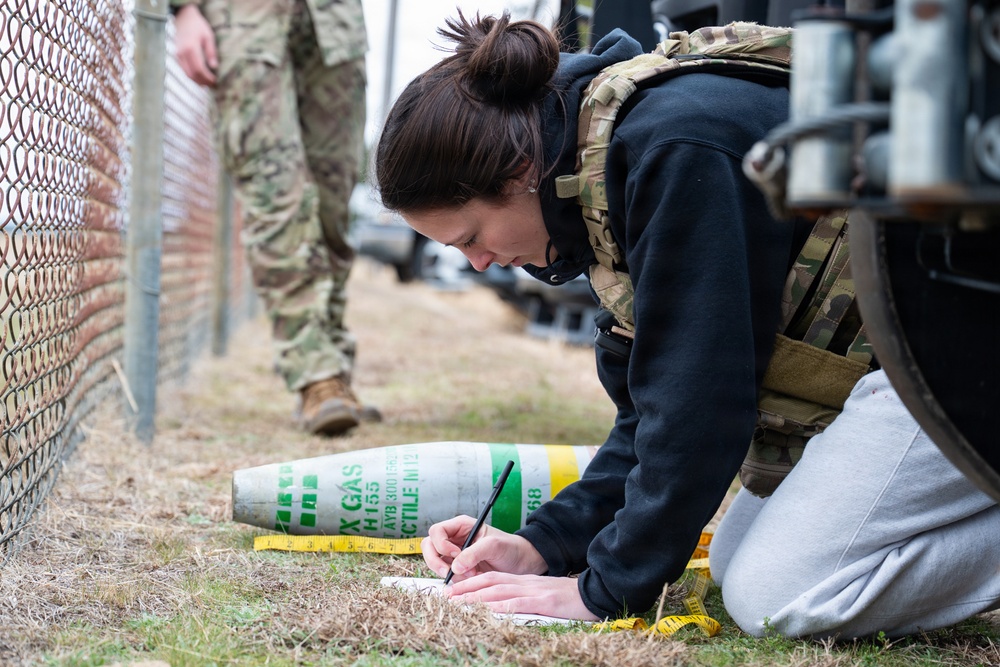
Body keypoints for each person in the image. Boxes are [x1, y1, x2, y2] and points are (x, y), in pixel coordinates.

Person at [373, 11, 1000, 639]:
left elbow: (702, 401)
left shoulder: (673, 146)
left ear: (515, 174)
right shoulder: (597, 168)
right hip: (921, 349)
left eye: (472, 238)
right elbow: (658, 413)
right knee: (734, 562)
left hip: (957, 344)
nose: (479, 264)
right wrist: (545, 546)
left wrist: (603, 591)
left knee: (778, 596)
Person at [170, 0, 379, 435]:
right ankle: (316, 376)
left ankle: (334, 370)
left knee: (332, 208)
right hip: (243, 21)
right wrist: (183, 9)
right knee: (276, 199)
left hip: (335, 24)